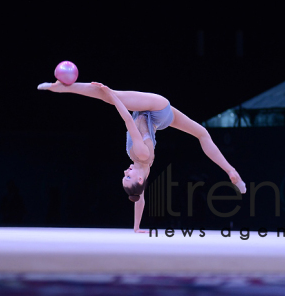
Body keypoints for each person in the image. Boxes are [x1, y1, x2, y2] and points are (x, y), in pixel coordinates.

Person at [37, 80, 247, 233]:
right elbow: (128, 120)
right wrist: (112, 96)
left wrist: (137, 227)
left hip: (160, 118)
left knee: (202, 133)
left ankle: (231, 171)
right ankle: (60, 88)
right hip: (155, 109)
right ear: (139, 179)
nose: (125, 171)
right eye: (128, 176)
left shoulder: (143, 169)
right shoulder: (141, 155)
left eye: (124, 176)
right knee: (105, 95)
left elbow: (139, 198)